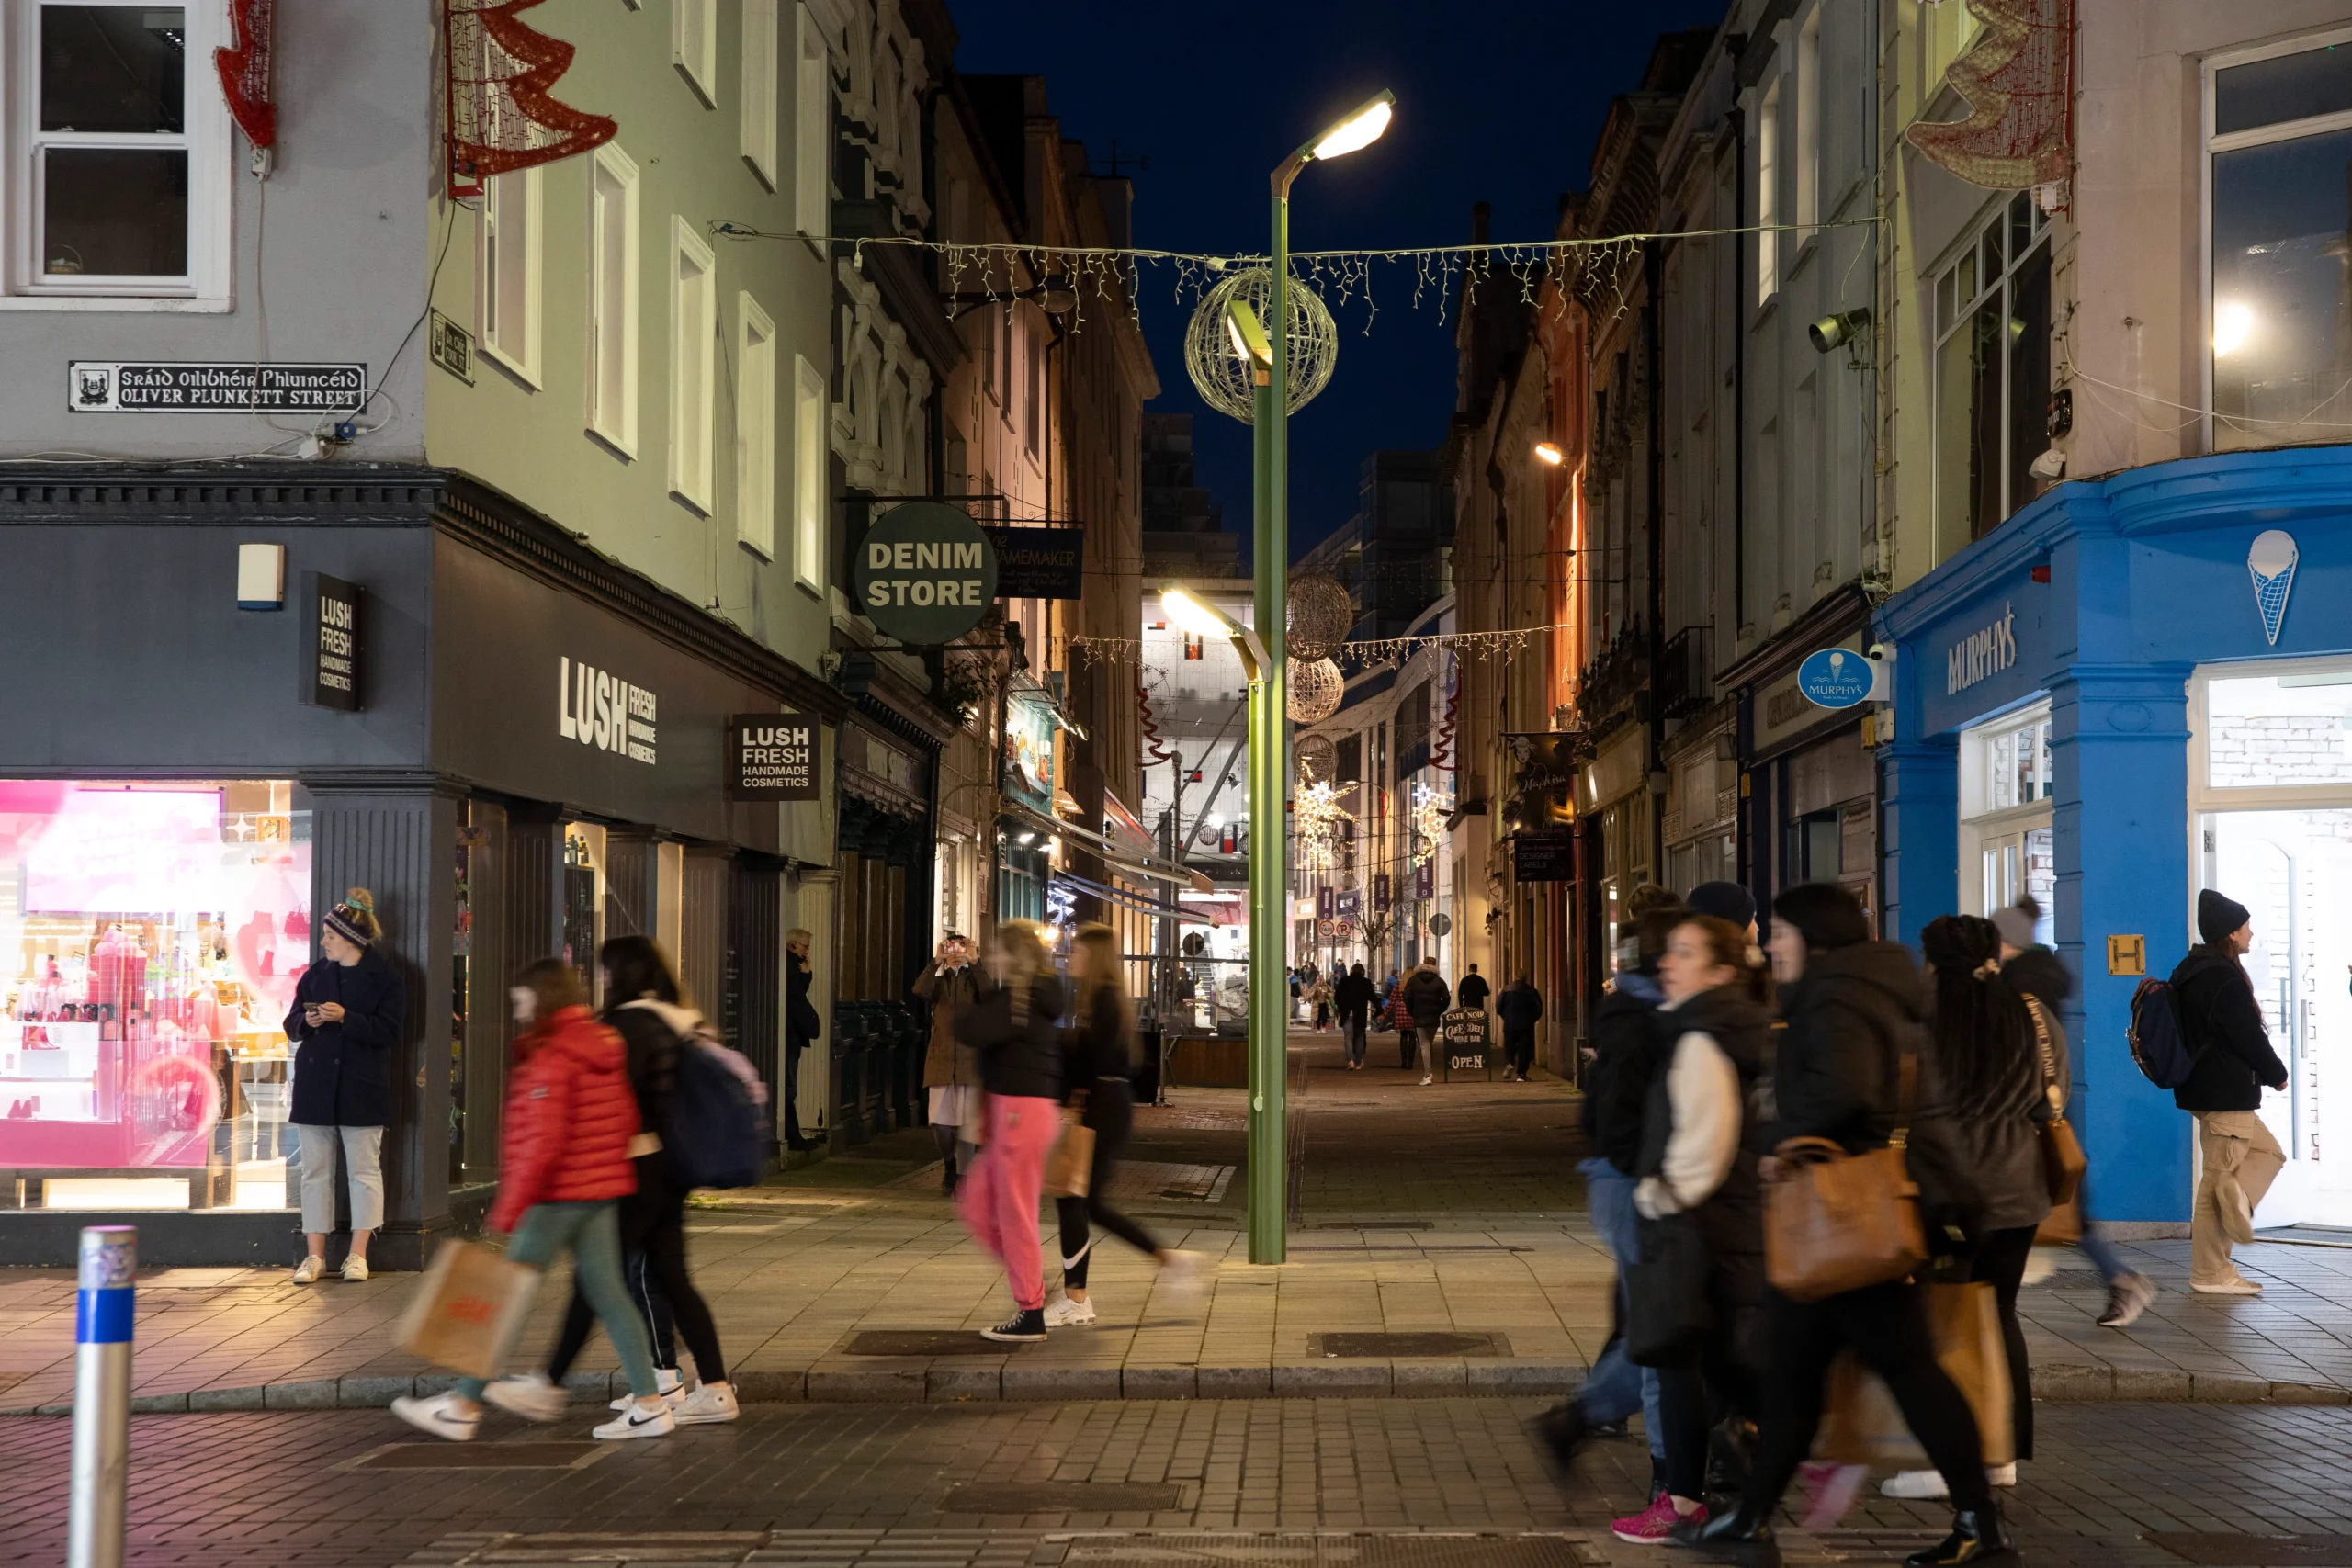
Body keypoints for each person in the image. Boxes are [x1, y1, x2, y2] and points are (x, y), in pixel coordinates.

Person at [1679, 883, 2004, 1568]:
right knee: (1794, 1378)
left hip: (1851, 1218)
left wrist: (1781, 1145)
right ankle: (1750, 1515)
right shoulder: (1864, 984)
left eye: (1782, 932)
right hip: (1852, 1214)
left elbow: (1846, 1089)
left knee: (1910, 1373)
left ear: (1814, 936)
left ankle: (1982, 1526)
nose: (1771, 943)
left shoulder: (1838, 994)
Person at [391, 961, 672, 1442]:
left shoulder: (552, 1057)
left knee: (501, 1299)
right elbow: (624, 1119)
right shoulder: (602, 1046)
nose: (516, 1004)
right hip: (599, 1192)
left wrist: (508, 1209)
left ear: (541, 999)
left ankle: (462, 1405)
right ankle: (649, 1402)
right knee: (610, 1295)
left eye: (521, 996)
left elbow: (540, 1143)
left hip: (557, 1196)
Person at [516, 937, 741, 1427]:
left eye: (604, 973)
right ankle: (717, 1388)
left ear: (618, 976)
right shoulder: (675, 1021)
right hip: (670, 1166)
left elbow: (619, 1105)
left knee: (596, 1279)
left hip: (636, 1169)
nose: (600, 981)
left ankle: (553, 1383)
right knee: (672, 1279)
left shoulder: (626, 1028)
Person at [1877, 914, 2053, 1500]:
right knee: (1999, 1316)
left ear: (1931, 959)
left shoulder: (1921, 1013)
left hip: (1946, 1188)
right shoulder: (2029, 1012)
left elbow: (1897, 1099)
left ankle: (1946, 1461)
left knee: (1940, 1323)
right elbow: (2050, 1097)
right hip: (2019, 1188)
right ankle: (2002, 1454)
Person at [1611, 913, 1770, 1544]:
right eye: (1669, 951)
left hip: (1696, 1231)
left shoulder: (1702, 1036)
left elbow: (1704, 1142)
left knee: (1682, 1365)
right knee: (1719, 1372)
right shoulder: (1722, 1025)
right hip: (1724, 1231)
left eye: (1684, 953)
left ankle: (1686, 1502)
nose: (1668, 963)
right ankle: (1728, 1503)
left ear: (1721, 970)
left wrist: (1657, 1195)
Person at [1536, 886, 1681, 1506]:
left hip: (1637, 1181)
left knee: (1651, 1326)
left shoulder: (1651, 1011)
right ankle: (1670, 1476)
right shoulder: (1638, 1015)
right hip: (1632, 1184)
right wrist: (1643, 1173)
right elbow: (1620, 1106)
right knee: (1659, 1330)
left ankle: (1580, 1422)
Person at [1991, 898, 2154, 1329]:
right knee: (2061, 1207)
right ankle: (2119, 1279)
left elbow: (2023, 1053)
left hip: (2032, 1112)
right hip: (2048, 1106)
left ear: (2007, 942)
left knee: (2057, 1209)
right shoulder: (2037, 976)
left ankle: (2121, 1279)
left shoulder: (2019, 986)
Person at [1046, 924, 1200, 1326]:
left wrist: (1071, 1070)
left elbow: (1097, 1057)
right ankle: (1163, 1260)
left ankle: (1077, 1299)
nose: (1071, 956)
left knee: (1075, 1200)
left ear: (1093, 956)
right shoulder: (1104, 999)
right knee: (1084, 1202)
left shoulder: (1104, 1001)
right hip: (1106, 1104)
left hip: (1105, 1106)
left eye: (1077, 951)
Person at [2171, 889, 2290, 1295]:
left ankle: (2236, 1195)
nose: (2251, 933)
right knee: (2216, 1184)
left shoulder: (2190, 969)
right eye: (2246, 927)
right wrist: (2276, 1072)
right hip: (2227, 1092)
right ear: (2231, 934)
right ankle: (2211, 1272)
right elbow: (2246, 1037)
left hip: (2204, 1091)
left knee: (2268, 1152)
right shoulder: (2222, 978)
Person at [285, 889, 405, 1284]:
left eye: (330, 936)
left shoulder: (385, 977)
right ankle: (314, 1257)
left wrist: (346, 1018)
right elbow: (291, 1025)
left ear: (352, 938)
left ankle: (358, 1255)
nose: (323, 942)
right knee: (314, 1171)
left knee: (364, 1171)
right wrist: (309, 1022)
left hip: (360, 1084)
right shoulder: (315, 975)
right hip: (316, 1084)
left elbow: (390, 1031)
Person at [955, 920, 1066, 1342]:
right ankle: (1032, 1281)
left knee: (1015, 1216)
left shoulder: (1019, 1001)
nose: (991, 957)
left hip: (1020, 1113)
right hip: (1012, 1112)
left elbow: (969, 1028)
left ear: (1014, 956)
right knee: (977, 1204)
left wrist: (970, 983)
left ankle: (1031, 1311)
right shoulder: (1018, 998)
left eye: (997, 951)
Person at [916, 933, 983, 1197]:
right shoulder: (940, 983)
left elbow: (991, 994)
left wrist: (975, 963)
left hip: (969, 1063)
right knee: (939, 1123)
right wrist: (936, 961)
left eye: (961, 947)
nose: (956, 952)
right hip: (941, 1060)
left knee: (967, 1125)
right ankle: (950, 1165)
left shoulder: (975, 982)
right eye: (951, 947)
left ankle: (964, 1176)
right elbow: (919, 990)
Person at [783, 927, 820, 1151]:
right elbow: (795, 996)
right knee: (789, 1086)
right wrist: (806, 975)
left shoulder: (791, 963)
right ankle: (792, 1136)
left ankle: (793, 1135)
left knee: (790, 1085)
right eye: (805, 946)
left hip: (791, 1032)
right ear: (793, 944)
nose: (807, 950)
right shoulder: (789, 964)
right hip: (789, 1032)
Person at [1398, 957, 1452, 1085]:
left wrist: (1412, 1011)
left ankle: (1428, 1073)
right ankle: (1429, 1071)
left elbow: (1407, 997)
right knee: (1429, 1043)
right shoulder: (1439, 981)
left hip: (1419, 1015)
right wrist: (1438, 1010)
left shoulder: (1413, 980)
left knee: (1424, 1045)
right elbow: (1446, 998)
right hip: (1433, 1016)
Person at [1496, 975, 1543, 1083]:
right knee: (1524, 1049)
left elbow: (1499, 1006)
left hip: (1510, 1024)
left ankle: (1509, 1062)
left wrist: (1505, 1017)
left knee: (1510, 1045)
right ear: (1525, 979)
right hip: (1526, 1024)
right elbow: (1539, 1008)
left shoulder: (1506, 990)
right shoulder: (1532, 991)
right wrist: (1532, 1019)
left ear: (1515, 977)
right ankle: (1521, 1074)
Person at [1336, 962, 1378, 1069]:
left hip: (1347, 1012)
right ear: (1362, 972)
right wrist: (1379, 1010)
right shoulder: (1366, 982)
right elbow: (1373, 997)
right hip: (1360, 1013)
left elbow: (1337, 996)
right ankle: (1358, 1062)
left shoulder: (1344, 981)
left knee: (1348, 1037)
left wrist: (1342, 1007)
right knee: (1359, 1037)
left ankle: (1350, 1060)